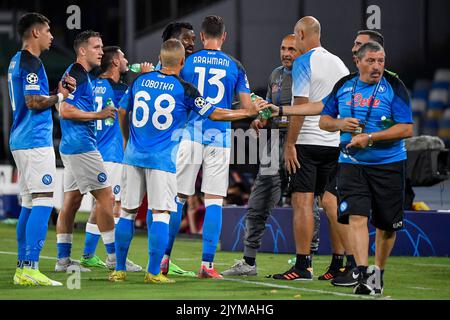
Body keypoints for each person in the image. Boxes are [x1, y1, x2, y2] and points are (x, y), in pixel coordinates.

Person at [109, 39, 263, 283]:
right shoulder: (185, 89)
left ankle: (118, 269)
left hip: (133, 156)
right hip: (162, 159)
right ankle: (153, 272)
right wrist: (247, 112)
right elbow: (214, 112)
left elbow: (122, 110)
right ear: (181, 61)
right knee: (160, 213)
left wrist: (127, 141)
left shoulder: (139, 81)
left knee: (127, 212)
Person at [221, 34, 320, 276]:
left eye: (292, 50)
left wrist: (290, 138)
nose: (286, 53)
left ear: (301, 51)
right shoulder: (276, 75)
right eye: (283, 48)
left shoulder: (310, 75)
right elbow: (268, 107)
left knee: (306, 204)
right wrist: (260, 119)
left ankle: (307, 260)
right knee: (258, 202)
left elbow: (308, 111)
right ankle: (249, 261)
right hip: (273, 144)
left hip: (299, 144)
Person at [320, 41, 413, 295]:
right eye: (371, 61)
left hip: (389, 164)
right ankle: (363, 273)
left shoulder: (394, 86)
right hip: (351, 163)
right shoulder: (343, 86)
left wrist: (370, 138)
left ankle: (377, 273)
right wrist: (340, 124)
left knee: (386, 226)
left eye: (381, 61)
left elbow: (406, 128)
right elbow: (323, 121)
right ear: (358, 62)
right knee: (356, 216)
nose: (377, 66)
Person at [172, 15, 255, 279]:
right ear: (224, 36)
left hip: (189, 134)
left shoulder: (188, 60)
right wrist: (255, 110)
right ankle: (207, 265)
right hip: (219, 138)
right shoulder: (235, 65)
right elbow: (247, 109)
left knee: (177, 198)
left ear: (202, 35)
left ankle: (162, 261)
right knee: (214, 201)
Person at [272, 16, 349, 281]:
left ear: (303, 34)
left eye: (296, 36)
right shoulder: (339, 62)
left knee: (302, 201)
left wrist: (290, 143)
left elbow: (301, 107)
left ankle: (303, 265)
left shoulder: (304, 62)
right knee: (330, 202)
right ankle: (339, 264)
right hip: (333, 141)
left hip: (306, 141)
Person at [8, 12, 75, 286]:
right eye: (48, 31)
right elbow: (34, 102)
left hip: (20, 140)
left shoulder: (16, 60)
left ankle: (23, 268)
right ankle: (32, 267)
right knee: (44, 201)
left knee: (28, 203)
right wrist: (61, 96)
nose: (51, 36)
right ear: (35, 33)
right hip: (34, 141)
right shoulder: (31, 62)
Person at [79, 46, 151, 271]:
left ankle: (88, 254)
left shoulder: (90, 85)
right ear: (114, 63)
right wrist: (146, 77)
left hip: (92, 150)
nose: (127, 60)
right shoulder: (120, 89)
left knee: (100, 204)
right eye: (122, 57)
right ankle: (118, 259)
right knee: (115, 205)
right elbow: (143, 101)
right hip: (113, 153)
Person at [55, 30, 117, 273]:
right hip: (81, 147)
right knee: (107, 198)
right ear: (82, 50)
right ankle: (114, 259)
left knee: (71, 202)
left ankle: (63, 261)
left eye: (101, 47)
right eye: (96, 47)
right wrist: (98, 115)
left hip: (72, 147)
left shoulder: (82, 76)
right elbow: (66, 110)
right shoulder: (77, 75)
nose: (101, 51)